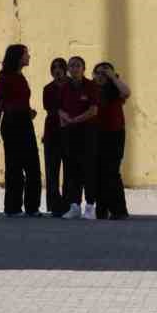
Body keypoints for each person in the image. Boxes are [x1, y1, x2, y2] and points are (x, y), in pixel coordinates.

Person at [0, 43, 41, 218]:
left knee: (33, 166)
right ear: (18, 57)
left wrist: (29, 111)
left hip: (24, 122)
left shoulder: (21, 77)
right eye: (26, 54)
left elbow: (20, 101)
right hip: (12, 123)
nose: (29, 56)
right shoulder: (5, 78)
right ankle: (12, 207)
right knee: (14, 166)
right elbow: (0, 105)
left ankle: (32, 207)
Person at [59, 55, 102, 221]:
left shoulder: (91, 86)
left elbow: (93, 110)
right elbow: (59, 109)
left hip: (88, 133)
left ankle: (90, 207)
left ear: (83, 69)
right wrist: (66, 118)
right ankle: (74, 206)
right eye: (71, 66)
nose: (74, 69)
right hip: (70, 134)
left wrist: (75, 119)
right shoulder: (65, 87)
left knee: (88, 170)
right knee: (71, 170)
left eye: (78, 66)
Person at [93, 62, 131, 220]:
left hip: (114, 134)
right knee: (98, 172)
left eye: (104, 73)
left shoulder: (115, 90)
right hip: (96, 134)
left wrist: (113, 77)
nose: (101, 76)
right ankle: (101, 210)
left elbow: (126, 92)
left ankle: (119, 210)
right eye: (98, 73)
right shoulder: (92, 89)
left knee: (112, 172)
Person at [42, 58, 69, 217]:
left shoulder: (72, 86)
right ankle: (54, 205)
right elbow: (49, 107)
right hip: (52, 131)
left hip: (70, 132)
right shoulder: (48, 88)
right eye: (54, 68)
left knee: (69, 171)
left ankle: (68, 203)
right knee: (52, 170)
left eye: (60, 67)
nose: (57, 70)